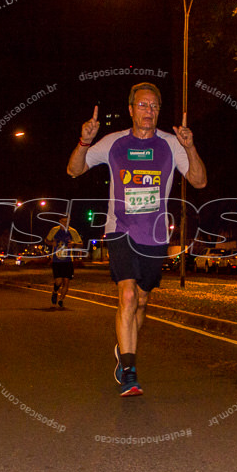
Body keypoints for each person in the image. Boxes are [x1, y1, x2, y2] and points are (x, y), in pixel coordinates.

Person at [67, 83, 207, 396]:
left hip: (155, 236)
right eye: (142, 105)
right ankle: (130, 372)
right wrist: (84, 142)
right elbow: (74, 170)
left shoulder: (172, 145)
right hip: (120, 229)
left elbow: (199, 181)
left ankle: (124, 349)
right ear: (131, 109)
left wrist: (190, 147)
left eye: (154, 106)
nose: (149, 111)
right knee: (127, 296)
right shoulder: (113, 142)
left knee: (142, 301)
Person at [45, 214, 82, 308]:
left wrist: (73, 244)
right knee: (58, 281)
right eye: (63, 221)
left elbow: (80, 244)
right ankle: (55, 291)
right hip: (57, 260)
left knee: (66, 281)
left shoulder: (72, 231)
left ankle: (61, 300)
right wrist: (51, 243)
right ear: (59, 221)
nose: (65, 223)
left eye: (67, 221)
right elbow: (47, 240)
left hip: (68, 260)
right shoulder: (54, 230)